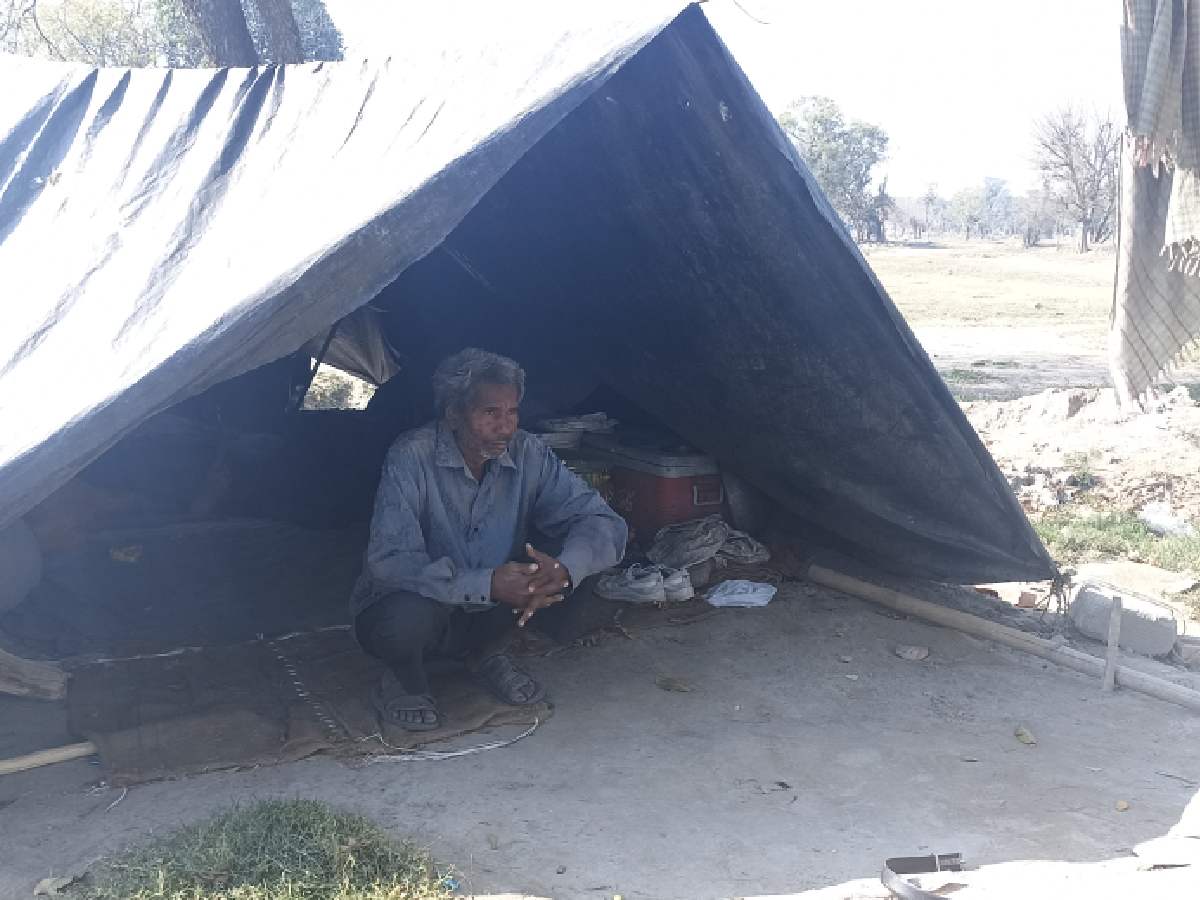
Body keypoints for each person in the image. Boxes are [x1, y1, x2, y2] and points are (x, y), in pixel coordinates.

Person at [351, 348, 628, 732]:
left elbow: (601, 521)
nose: (506, 427)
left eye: (512, 412)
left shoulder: (529, 452)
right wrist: (486, 583)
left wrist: (564, 568)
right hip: (418, 607)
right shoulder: (412, 455)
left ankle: (486, 654)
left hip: (492, 607)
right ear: (453, 414)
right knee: (405, 618)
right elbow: (392, 560)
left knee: (568, 569)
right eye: (490, 413)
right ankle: (403, 678)